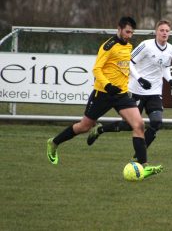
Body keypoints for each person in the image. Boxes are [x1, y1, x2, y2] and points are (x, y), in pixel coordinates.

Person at [46, 16, 162, 178]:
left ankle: (144, 166)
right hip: (103, 94)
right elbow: (97, 69)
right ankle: (54, 142)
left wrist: (137, 79)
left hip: (121, 95)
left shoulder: (128, 46)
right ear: (119, 29)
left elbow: (125, 65)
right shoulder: (108, 46)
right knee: (84, 126)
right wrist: (107, 85)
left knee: (139, 125)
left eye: (131, 33)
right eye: (127, 31)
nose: (129, 35)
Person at [86, 20, 172, 156]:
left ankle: (139, 155)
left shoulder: (170, 49)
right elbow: (129, 62)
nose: (164, 33)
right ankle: (100, 129)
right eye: (161, 30)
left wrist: (170, 80)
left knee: (157, 122)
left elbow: (164, 67)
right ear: (156, 32)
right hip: (137, 90)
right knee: (129, 125)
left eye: (167, 31)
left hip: (155, 91)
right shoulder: (146, 45)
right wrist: (139, 79)